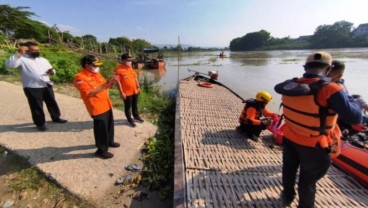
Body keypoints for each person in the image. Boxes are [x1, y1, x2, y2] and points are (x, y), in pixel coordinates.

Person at [274, 51, 362, 207]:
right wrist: (355, 100)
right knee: (307, 181)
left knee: (289, 169)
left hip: (290, 137)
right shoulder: (331, 89)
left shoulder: (291, 84)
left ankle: (287, 196)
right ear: (328, 70)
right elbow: (355, 118)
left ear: (305, 67)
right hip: (314, 145)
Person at [5, 41, 67, 131]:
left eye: (38, 50)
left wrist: (52, 72)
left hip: (46, 84)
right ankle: (40, 123)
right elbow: (9, 65)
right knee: (36, 106)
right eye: (34, 50)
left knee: (52, 102)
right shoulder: (21, 59)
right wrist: (18, 53)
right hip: (32, 87)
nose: (37, 52)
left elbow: (52, 69)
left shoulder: (43, 59)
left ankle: (56, 117)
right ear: (26, 50)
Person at [74, 55, 120, 159]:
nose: (97, 67)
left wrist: (111, 82)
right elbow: (89, 93)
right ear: (87, 65)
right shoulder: (80, 77)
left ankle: (109, 141)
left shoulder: (96, 74)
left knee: (109, 125)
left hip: (106, 104)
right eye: (95, 65)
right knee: (100, 129)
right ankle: (101, 150)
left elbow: (104, 86)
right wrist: (106, 84)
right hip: (97, 107)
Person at [328, 60, 368, 129]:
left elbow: (345, 110)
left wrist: (353, 123)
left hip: (349, 118)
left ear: (339, 75)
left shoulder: (337, 87)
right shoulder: (339, 85)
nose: (327, 77)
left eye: (329, 75)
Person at [114, 53, 144, 127]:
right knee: (128, 107)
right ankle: (129, 119)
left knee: (135, 105)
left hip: (135, 90)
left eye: (131, 60)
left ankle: (136, 116)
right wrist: (121, 93)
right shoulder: (118, 69)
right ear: (123, 60)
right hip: (126, 92)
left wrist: (138, 87)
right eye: (128, 60)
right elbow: (118, 82)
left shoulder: (131, 67)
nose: (130, 62)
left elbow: (135, 78)